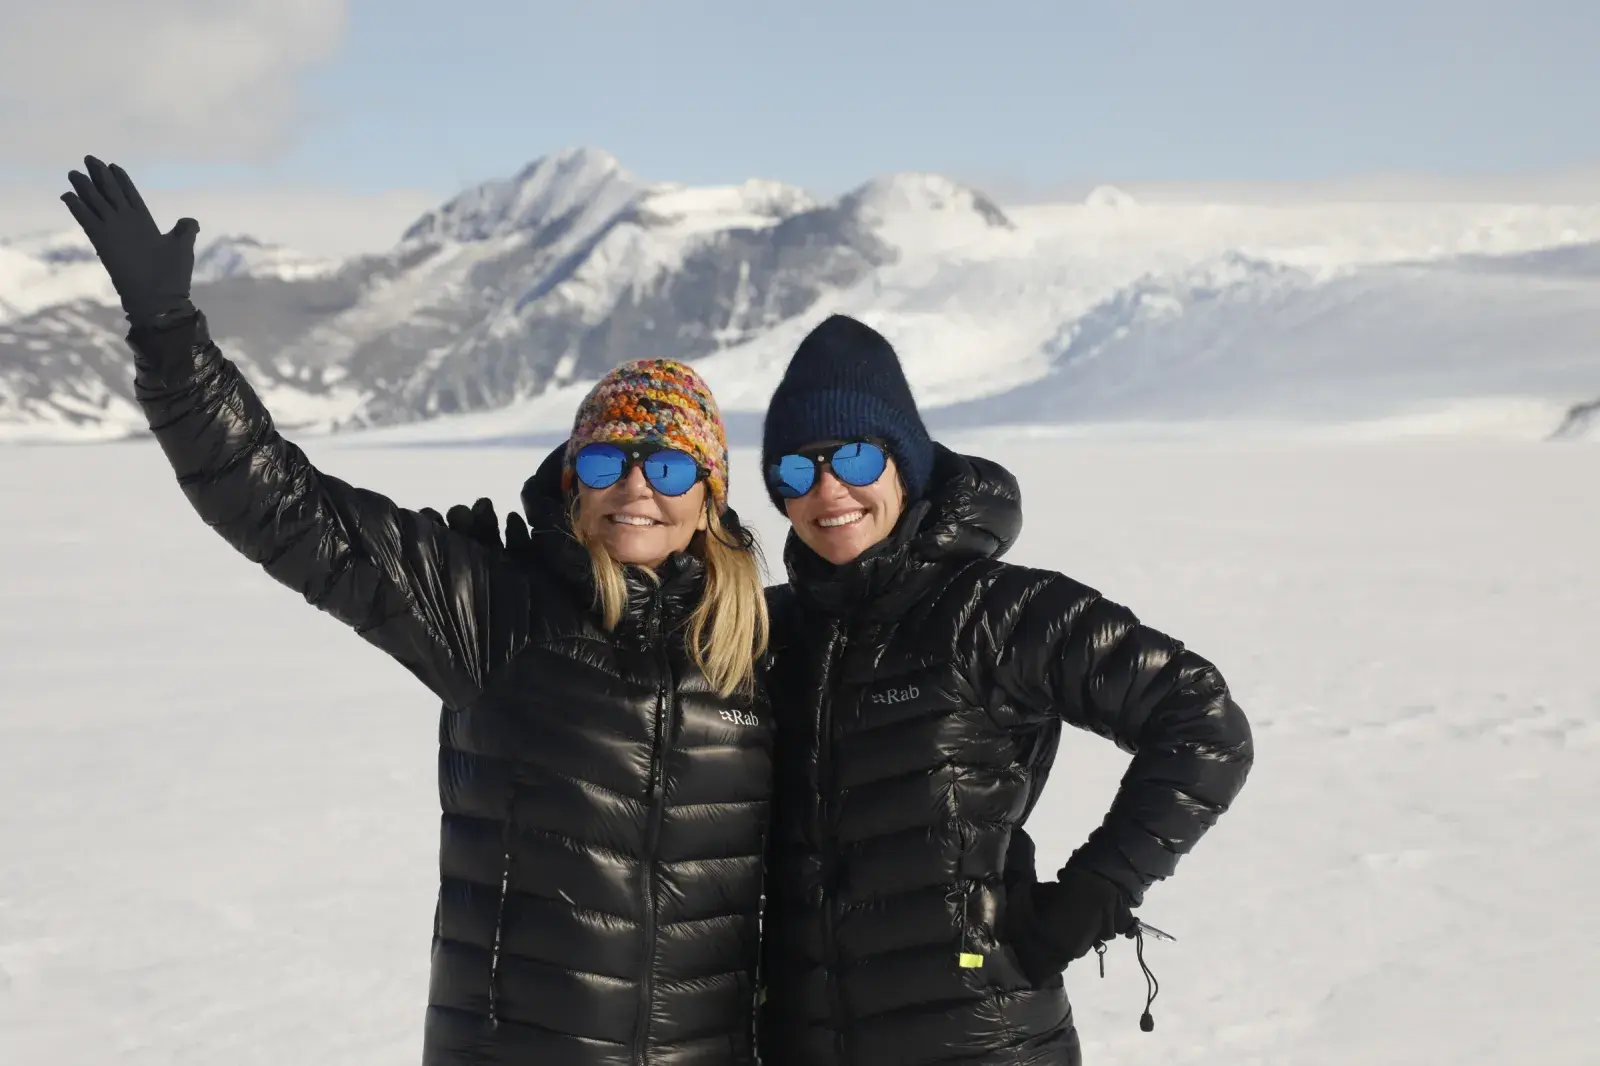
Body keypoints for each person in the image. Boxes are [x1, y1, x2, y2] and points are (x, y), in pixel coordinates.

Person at [61, 156, 776, 1066]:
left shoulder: (756, 653)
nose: (636, 487)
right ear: (571, 484)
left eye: (669, 467)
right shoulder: (494, 611)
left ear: (709, 497)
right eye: (605, 462)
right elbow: (283, 506)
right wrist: (169, 334)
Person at [750, 314, 1256, 1066]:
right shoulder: (771, 631)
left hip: (983, 1037)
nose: (829, 490)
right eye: (797, 470)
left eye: (854, 458)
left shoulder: (996, 612)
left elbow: (1201, 721)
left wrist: (1096, 891)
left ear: (905, 465)